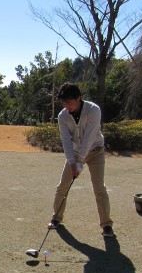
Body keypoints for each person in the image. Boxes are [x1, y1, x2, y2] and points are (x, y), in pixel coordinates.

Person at [48, 82, 114, 237]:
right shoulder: (62, 116)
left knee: (99, 188)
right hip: (76, 153)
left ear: (78, 98)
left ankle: (106, 225)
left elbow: (89, 138)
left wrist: (80, 164)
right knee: (62, 186)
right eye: (64, 103)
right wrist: (72, 162)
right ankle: (56, 218)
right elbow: (66, 141)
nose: (67, 106)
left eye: (69, 102)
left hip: (96, 151)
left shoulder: (93, 110)